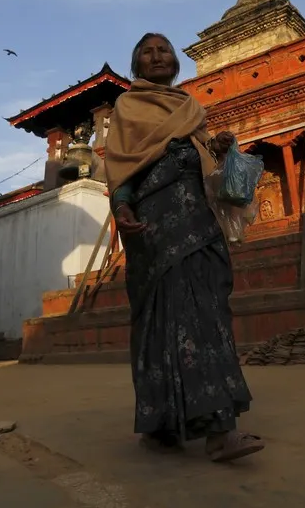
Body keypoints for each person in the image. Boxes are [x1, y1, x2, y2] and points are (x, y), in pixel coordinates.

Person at [104, 32, 263, 463]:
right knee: (166, 322)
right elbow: (121, 167)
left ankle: (174, 425)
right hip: (155, 232)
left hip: (200, 226)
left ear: (176, 63)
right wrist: (120, 207)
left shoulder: (191, 109)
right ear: (136, 64)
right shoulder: (128, 107)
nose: (157, 56)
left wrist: (217, 148)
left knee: (208, 319)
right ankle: (207, 431)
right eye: (147, 52)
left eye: (164, 51)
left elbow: (201, 165)